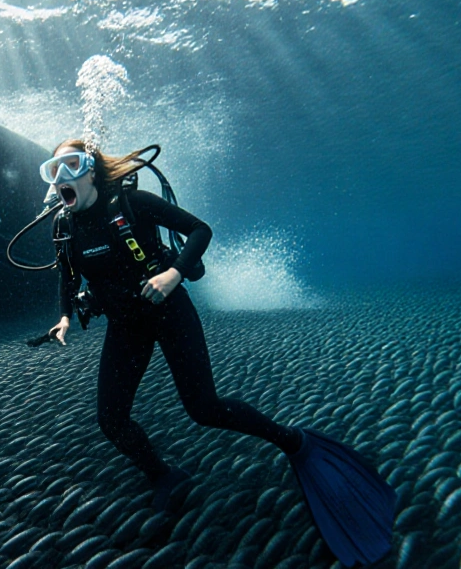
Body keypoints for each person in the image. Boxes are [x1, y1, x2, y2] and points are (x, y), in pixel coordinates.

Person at [39, 139, 395, 567]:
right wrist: (63, 317)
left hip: (169, 312)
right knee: (110, 419)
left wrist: (174, 272)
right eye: (53, 169)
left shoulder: (133, 203)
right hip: (125, 325)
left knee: (203, 407)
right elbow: (66, 277)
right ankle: (164, 475)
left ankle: (293, 442)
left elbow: (200, 230)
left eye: (71, 165)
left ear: (91, 170)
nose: (61, 178)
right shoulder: (65, 227)